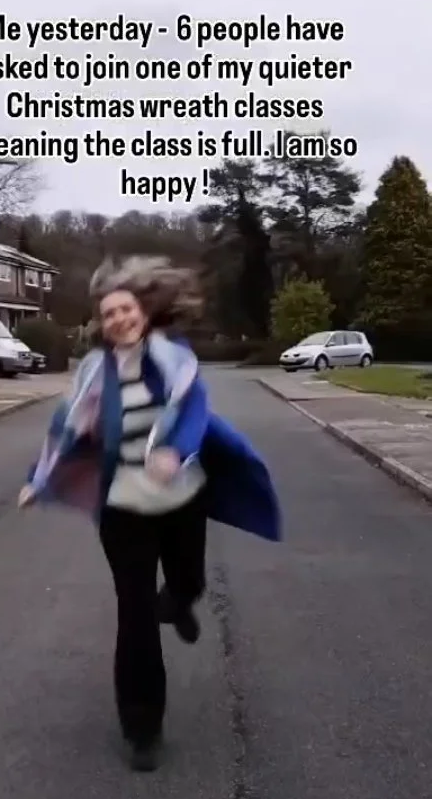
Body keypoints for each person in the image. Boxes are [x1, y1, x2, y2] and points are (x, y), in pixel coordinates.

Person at [18, 256, 281, 772]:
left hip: (181, 498)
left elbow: (195, 409)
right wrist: (37, 478)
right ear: (101, 323)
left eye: (126, 309)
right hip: (124, 508)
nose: (119, 319)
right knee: (134, 613)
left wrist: (175, 451)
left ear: (143, 311)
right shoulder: (94, 375)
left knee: (188, 579)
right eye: (109, 313)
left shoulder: (174, 358)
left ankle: (180, 599)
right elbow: (66, 428)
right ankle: (142, 725)